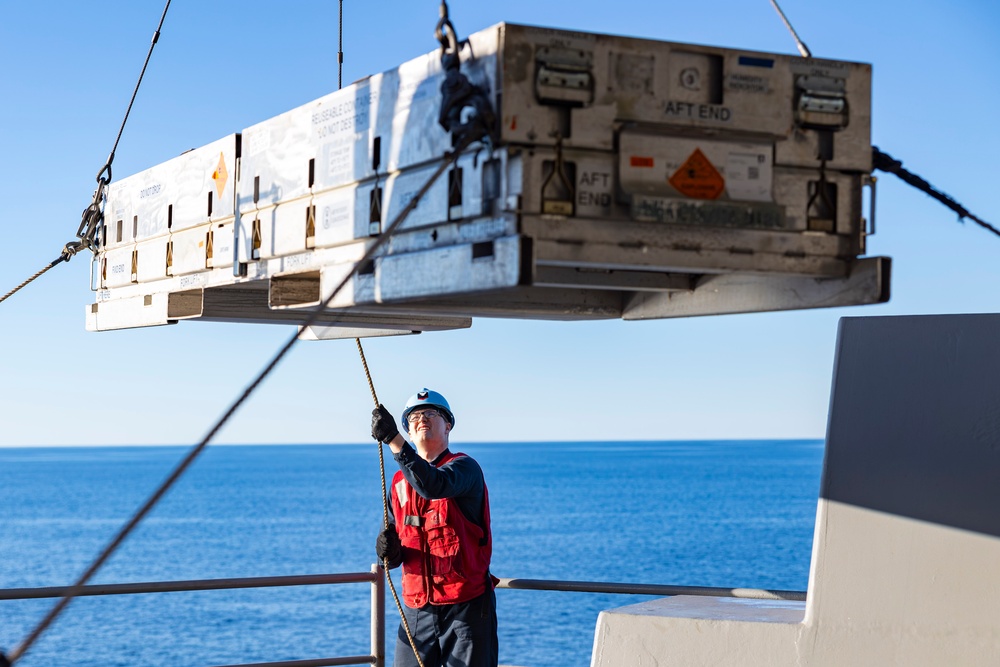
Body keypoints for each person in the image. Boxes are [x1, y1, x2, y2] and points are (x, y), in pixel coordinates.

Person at [371, 388, 498, 667]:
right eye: (414, 416)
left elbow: (433, 485)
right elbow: (392, 558)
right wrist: (387, 551)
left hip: (465, 607)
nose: (422, 419)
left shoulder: (465, 468)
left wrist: (393, 440)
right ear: (408, 428)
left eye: (431, 413)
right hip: (417, 611)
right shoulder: (397, 484)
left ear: (448, 424)